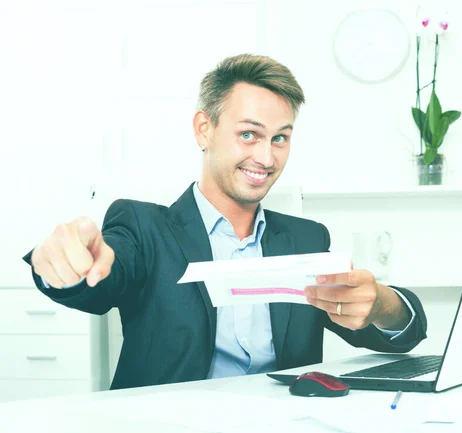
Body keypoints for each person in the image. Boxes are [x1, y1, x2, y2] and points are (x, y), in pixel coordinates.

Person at [23, 54, 427, 390]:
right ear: (204, 129)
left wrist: (382, 304)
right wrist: (62, 266)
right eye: (249, 134)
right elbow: (102, 280)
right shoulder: (143, 227)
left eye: (280, 138)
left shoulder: (307, 238)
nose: (267, 159)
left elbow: (401, 334)